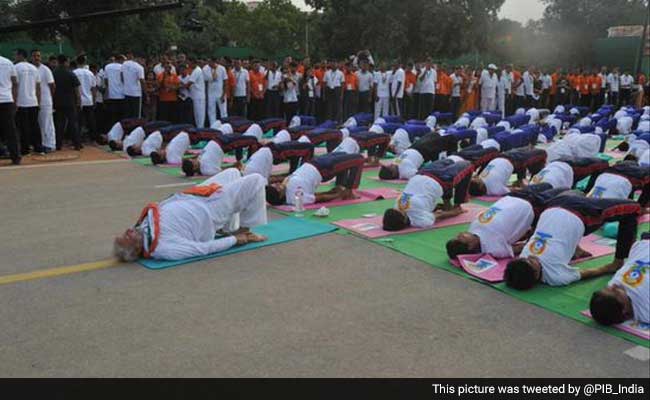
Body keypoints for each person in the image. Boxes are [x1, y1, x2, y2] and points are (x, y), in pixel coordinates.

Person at [113, 169, 268, 262]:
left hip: (196, 196)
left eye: (123, 233)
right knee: (257, 180)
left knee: (233, 173)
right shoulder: (163, 248)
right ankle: (244, 230)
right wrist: (236, 240)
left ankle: (228, 226)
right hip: (210, 211)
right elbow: (202, 249)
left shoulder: (142, 228)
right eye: (126, 238)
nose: (127, 231)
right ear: (136, 249)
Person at [505, 194, 640, 290]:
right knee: (634, 209)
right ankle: (618, 261)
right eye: (531, 261)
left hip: (556, 204)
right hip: (579, 212)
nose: (529, 256)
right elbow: (588, 272)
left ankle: (578, 250)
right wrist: (609, 268)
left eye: (525, 258)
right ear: (535, 274)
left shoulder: (522, 261)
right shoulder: (556, 277)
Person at [446, 184, 569, 259]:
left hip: (513, 196)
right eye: (461, 238)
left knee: (547, 185)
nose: (460, 233)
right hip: (530, 205)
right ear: (470, 246)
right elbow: (519, 248)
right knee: (565, 190)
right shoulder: (493, 248)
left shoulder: (473, 229)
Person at [382, 168, 468, 232]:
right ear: (404, 219)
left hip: (434, 181)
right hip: (424, 176)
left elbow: (438, 213)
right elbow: (440, 214)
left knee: (465, 166)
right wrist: (456, 211)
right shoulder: (420, 221)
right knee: (467, 167)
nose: (400, 209)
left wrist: (455, 210)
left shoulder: (401, 207)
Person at [589, 235, 649, 326]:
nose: (613, 286)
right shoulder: (646, 311)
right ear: (624, 309)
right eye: (616, 292)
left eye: (607, 288)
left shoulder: (613, 284)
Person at [265, 152, 365, 206]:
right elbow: (320, 198)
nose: (277, 184)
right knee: (358, 159)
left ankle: (341, 186)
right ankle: (349, 192)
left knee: (343, 154)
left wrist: (331, 191)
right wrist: (338, 195)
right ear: (280, 195)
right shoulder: (295, 199)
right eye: (277, 187)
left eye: (275, 184)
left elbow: (285, 180)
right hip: (324, 169)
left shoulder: (285, 186)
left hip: (314, 163)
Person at [468, 149, 548, 196]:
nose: (475, 177)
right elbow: (515, 190)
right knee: (541, 153)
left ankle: (521, 180)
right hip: (514, 160)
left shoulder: (482, 181)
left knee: (525, 152)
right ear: (480, 186)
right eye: (475, 179)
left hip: (504, 158)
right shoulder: (496, 190)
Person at [378, 132, 458, 180]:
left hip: (414, 147)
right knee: (451, 138)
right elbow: (420, 174)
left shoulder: (395, 164)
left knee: (433, 135)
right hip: (424, 150)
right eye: (389, 167)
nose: (390, 164)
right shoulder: (406, 172)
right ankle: (453, 163)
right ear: (393, 174)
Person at [14, 48, 42, 155]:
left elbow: (14, 85)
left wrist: (15, 102)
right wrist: (38, 102)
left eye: (15, 55)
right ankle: (38, 147)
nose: (14, 57)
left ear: (20, 55)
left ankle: (25, 149)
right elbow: (38, 87)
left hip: (21, 102)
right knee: (35, 125)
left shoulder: (16, 67)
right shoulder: (34, 68)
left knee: (23, 127)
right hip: (33, 101)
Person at [53, 54, 81, 151]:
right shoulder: (70, 73)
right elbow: (77, 89)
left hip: (58, 101)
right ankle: (77, 144)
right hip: (70, 101)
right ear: (65, 62)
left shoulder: (54, 73)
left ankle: (58, 144)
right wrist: (79, 101)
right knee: (73, 123)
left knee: (59, 124)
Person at [31, 49, 56, 153]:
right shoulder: (31, 69)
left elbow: (52, 85)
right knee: (38, 124)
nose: (37, 58)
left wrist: (50, 98)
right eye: (35, 56)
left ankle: (49, 144)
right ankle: (41, 144)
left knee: (46, 123)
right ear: (31, 57)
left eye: (38, 56)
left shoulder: (45, 69)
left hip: (45, 100)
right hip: (34, 100)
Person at [0, 52, 21, 164]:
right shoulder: (8, 63)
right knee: (11, 130)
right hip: (7, 100)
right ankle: (16, 156)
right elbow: (15, 82)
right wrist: (15, 99)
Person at [73, 55, 98, 143]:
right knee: (91, 120)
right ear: (85, 62)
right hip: (89, 100)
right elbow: (93, 88)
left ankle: (78, 138)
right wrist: (94, 100)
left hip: (78, 100)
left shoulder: (74, 72)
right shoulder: (90, 73)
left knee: (78, 120)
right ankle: (93, 138)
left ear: (77, 62)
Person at [122, 52, 145, 118]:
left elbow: (121, 77)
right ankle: (135, 127)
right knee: (136, 114)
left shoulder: (124, 64)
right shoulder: (139, 67)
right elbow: (142, 81)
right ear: (139, 58)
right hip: (136, 93)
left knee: (127, 113)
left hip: (126, 92)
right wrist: (146, 93)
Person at [104, 54, 125, 125]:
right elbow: (123, 79)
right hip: (121, 94)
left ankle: (111, 129)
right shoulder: (122, 67)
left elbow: (106, 80)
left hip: (111, 94)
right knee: (121, 115)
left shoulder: (107, 67)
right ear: (121, 60)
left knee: (112, 115)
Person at [186, 58, 206, 127]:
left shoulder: (197, 70)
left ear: (193, 63)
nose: (188, 65)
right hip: (195, 96)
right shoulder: (194, 70)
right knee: (197, 115)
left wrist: (177, 86)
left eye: (189, 63)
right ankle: (199, 129)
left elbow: (189, 83)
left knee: (199, 115)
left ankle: (201, 130)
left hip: (199, 97)